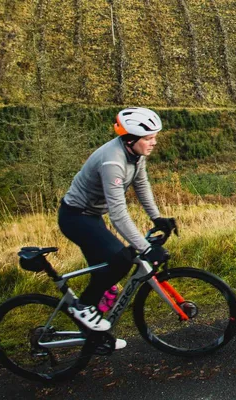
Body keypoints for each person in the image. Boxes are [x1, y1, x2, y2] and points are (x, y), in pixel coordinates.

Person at [58, 107, 176, 348]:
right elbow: (118, 214)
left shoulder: (135, 153)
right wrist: (145, 248)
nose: (154, 142)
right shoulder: (113, 161)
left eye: (155, 136)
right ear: (130, 139)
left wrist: (157, 218)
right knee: (120, 260)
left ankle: (91, 336)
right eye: (148, 138)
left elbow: (141, 185)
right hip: (76, 218)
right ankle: (82, 310)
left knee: (107, 271)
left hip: (91, 216)